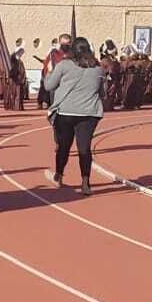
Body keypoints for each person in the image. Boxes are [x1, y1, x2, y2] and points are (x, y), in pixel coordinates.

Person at [45, 36, 106, 196]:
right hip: (89, 113)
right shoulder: (99, 69)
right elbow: (102, 93)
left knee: (64, 146)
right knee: (84, 148)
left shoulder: (64, 65)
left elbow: (48, 85)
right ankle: (85, 182)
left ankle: (58, 174)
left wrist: (49, 72)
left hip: (66, 112)